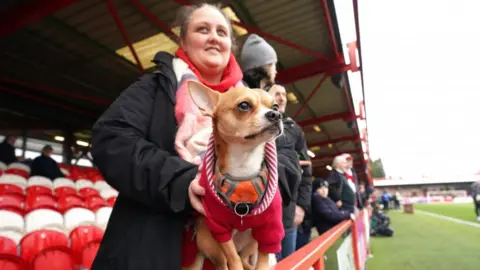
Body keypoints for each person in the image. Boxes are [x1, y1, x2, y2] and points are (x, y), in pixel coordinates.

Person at [89, 3, 244, 269]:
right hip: (153, 248)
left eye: (221, 31)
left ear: (230, 43)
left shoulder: (253, 100)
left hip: (237, 249)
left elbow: (285, 159)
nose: (214, 37)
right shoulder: (154, 87)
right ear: (183, 40)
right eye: (202, 29)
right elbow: (111, 140)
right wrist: (181, 181)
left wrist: (266, 185)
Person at [240, 40, 312, 260]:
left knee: (287, 262)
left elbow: (305, 171)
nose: (280, 97)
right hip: (250, 212)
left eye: (283, 95)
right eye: (276, 93)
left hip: (285, 214)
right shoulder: (242, 106)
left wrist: (301, 205)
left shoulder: (293, 129)